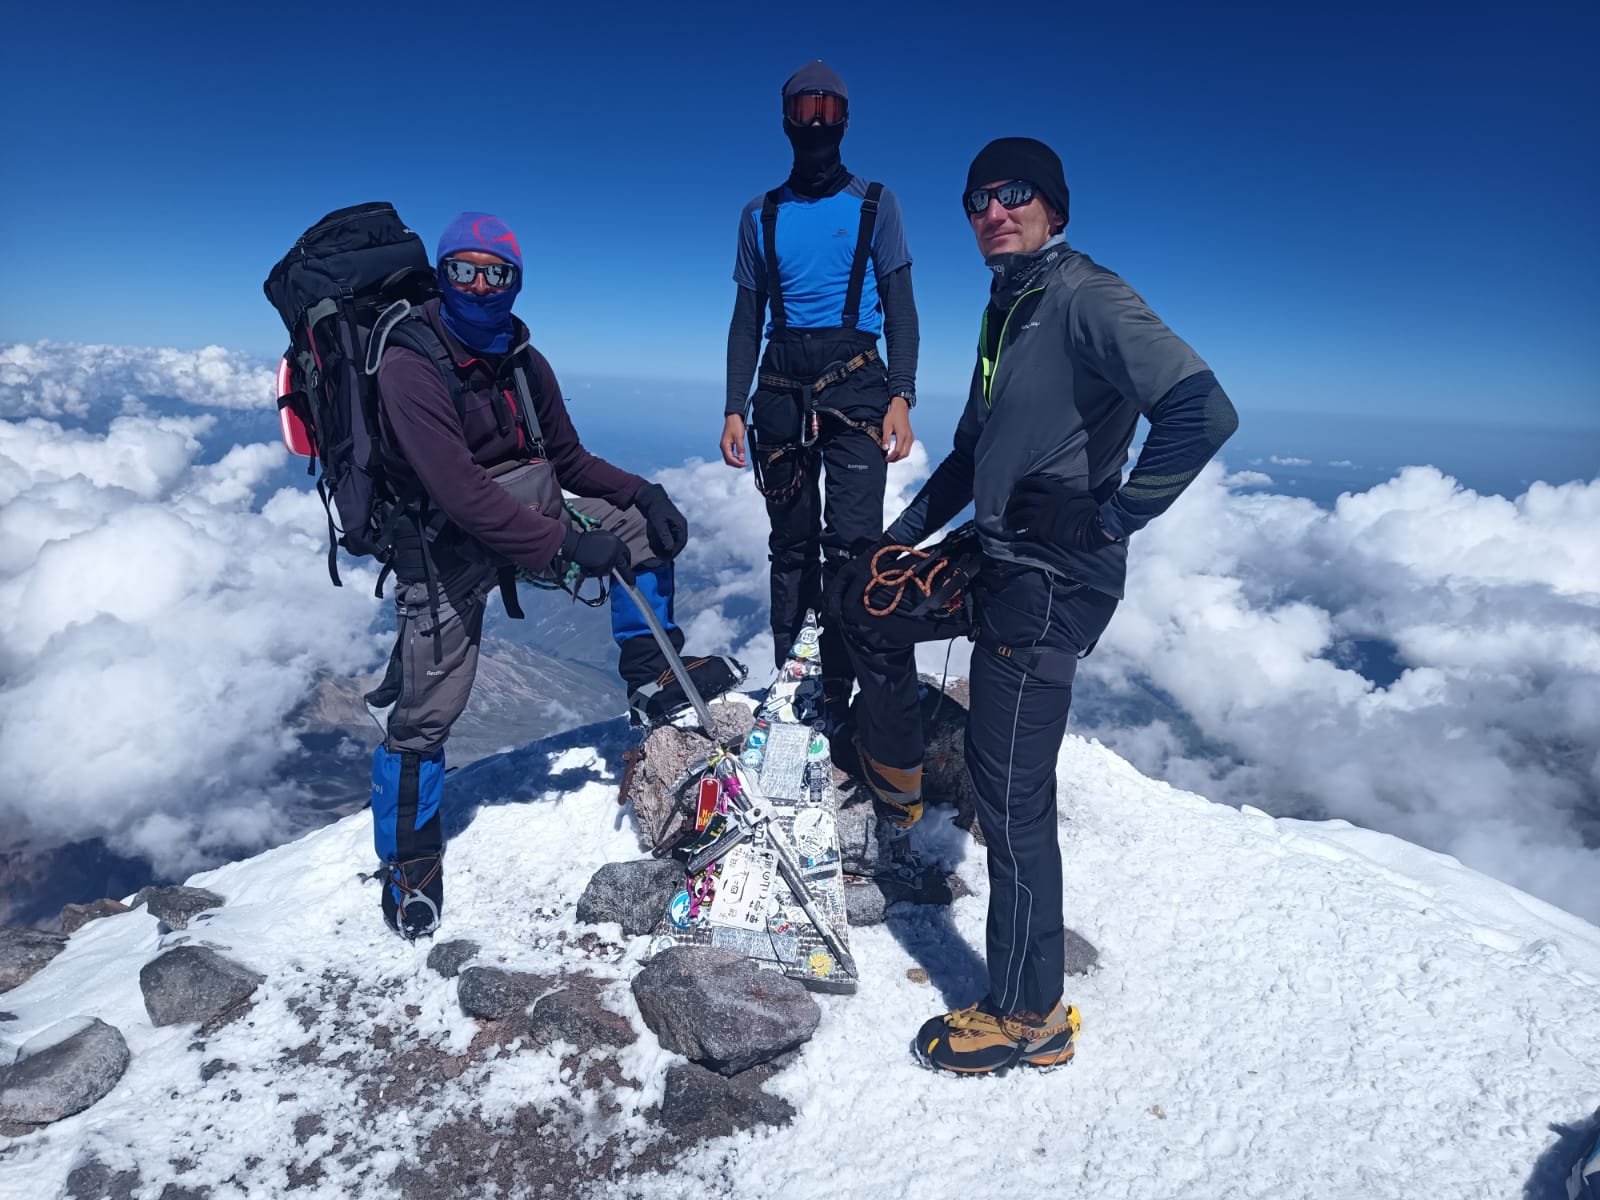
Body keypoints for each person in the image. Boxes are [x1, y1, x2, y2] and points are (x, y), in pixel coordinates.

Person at [836, 138, 1239, 1074]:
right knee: (869, 605)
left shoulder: (1085, 296)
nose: (993, 210)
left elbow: (1203, 411)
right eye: (977, 198)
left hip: (1048, 586)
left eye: (1014, 194)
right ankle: (898, 787)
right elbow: (975, 452)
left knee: (1013, 798)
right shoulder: (1009, 308)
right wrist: (900, 540)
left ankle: (1029, 1016)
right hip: (998, 559)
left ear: (1053, 207)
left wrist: (1110, 518)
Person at [366, 211, 742, 940]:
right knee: (425, 714)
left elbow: (567, 460)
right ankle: (408, 858)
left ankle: (650, 670)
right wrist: (565, 548)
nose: (480, 286)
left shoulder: (523, 362)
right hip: (439, 541)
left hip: (527, 517)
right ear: (441, 277)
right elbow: (458, 490)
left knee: (638, 532)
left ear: (515, 281)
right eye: (464, 271)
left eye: (496, 273)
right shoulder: (411, 363)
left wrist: (641, 493)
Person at [719, 60, 919, 727]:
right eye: (805, 109)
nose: (815, 123)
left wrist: (902, 395)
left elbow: (900, 307)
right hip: (779, 386)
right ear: (785, 120)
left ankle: (849, 685)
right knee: (793, 544)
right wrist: (733, 407)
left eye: (828, 110)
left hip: (858, 382)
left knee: (855, 544)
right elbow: (746, 319)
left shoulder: (876, 203)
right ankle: (794, 683)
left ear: (845, 120)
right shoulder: (759, 214)